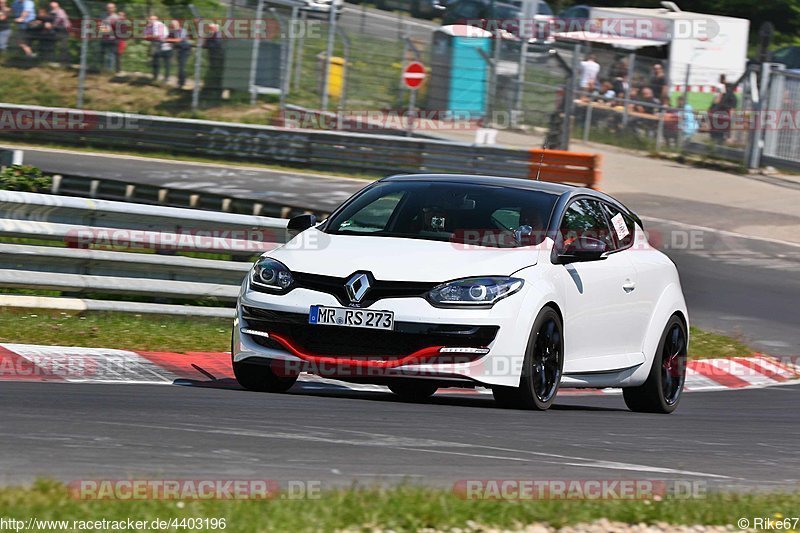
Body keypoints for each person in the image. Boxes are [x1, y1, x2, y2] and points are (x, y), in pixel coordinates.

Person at [145, 15, 170, 82]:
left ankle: (165, 78)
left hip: (163, 44)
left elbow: (156, 36)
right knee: (156, 61)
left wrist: (149, 36)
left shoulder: (158, 24)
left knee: (164, 62)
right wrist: (148, 26)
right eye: (150, 19)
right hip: (158, 44)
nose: (150, 20)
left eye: (152, 19)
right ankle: (156, 76)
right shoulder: (152, 25)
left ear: (156, 19)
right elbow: (146, 34)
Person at [203, 23, 224, 100]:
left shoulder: (218, 35)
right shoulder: (210, 35)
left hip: (217, 57)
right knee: (212, 71)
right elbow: (205, 44)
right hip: (212, 57)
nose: (209, 30)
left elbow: (216, 45)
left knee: (216, 72)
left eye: (211, 28)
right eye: (209, 28)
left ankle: (216, 90)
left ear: (215, 29)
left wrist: (208, 43)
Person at [166, 19, 190, 88]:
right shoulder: (172, 32)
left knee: (182, 66)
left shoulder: (182, 30)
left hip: (185, 50)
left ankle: (182, 82)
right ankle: (180, 81)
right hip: (179, 50)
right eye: (171, 25)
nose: (172, 26)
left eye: (173, 25)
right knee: (180, 66)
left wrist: (167, 40)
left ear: (177, 25)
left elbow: (179, 39)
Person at [99, 3, 119, 71]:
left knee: (111, 55)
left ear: (114, 9)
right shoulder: (103, 15)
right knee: (101, 53)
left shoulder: (116, 17)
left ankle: (109, 70)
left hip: (112, 40)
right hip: (104, 38)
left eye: (111, 8)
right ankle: (101, 68)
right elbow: (101, 26)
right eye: (108, 7)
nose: (109, 9)